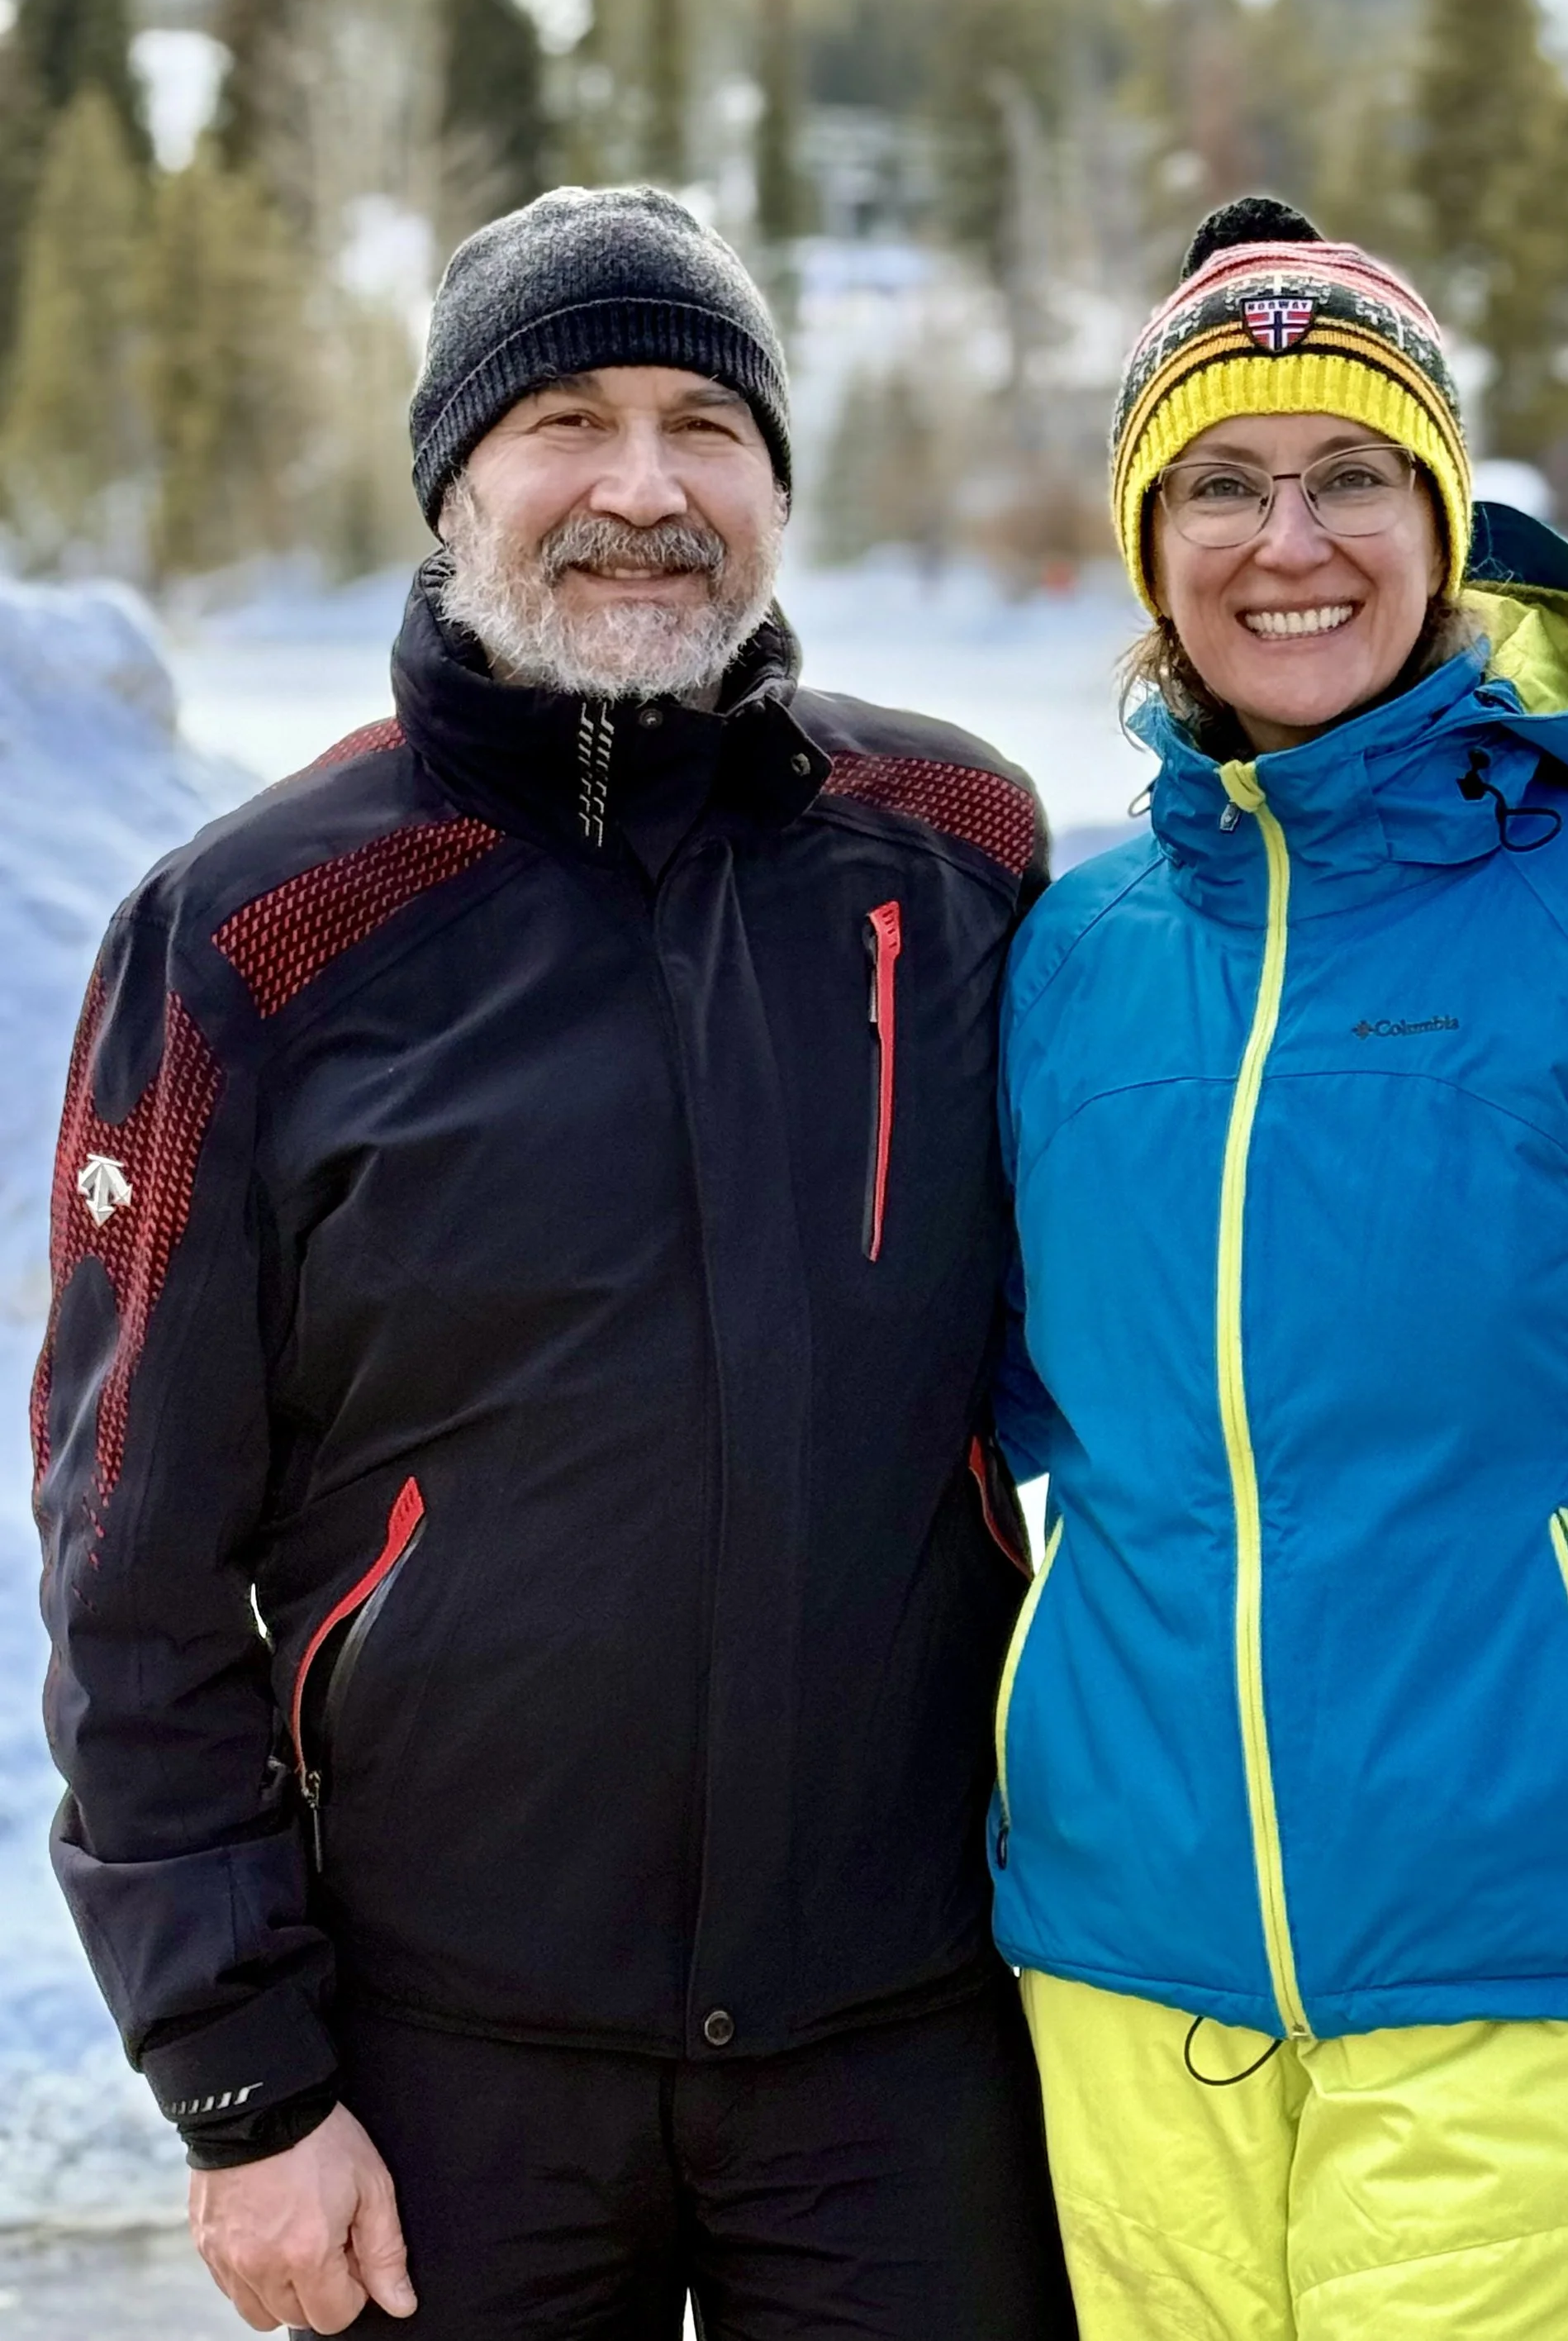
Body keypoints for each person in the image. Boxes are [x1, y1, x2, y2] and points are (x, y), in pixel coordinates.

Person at [33, 185, 1076, 2341]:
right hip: (443, 2070)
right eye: (565, 419)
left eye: (706, 422)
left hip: (905, 2046)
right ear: (452, 481)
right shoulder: (248, 936)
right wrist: (240, 2081)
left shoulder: (958, 845)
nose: (640, 484)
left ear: (778, 483)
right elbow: (131, 1559)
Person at [989, 196, 1568, 2341]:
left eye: (1348, 474)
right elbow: (971, 1434)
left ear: (1443, 520)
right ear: (1146, 547)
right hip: (1122, 1987)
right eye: (1217, 482)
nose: (1285, 536)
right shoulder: (1070, 960)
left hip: (1541, 1971)